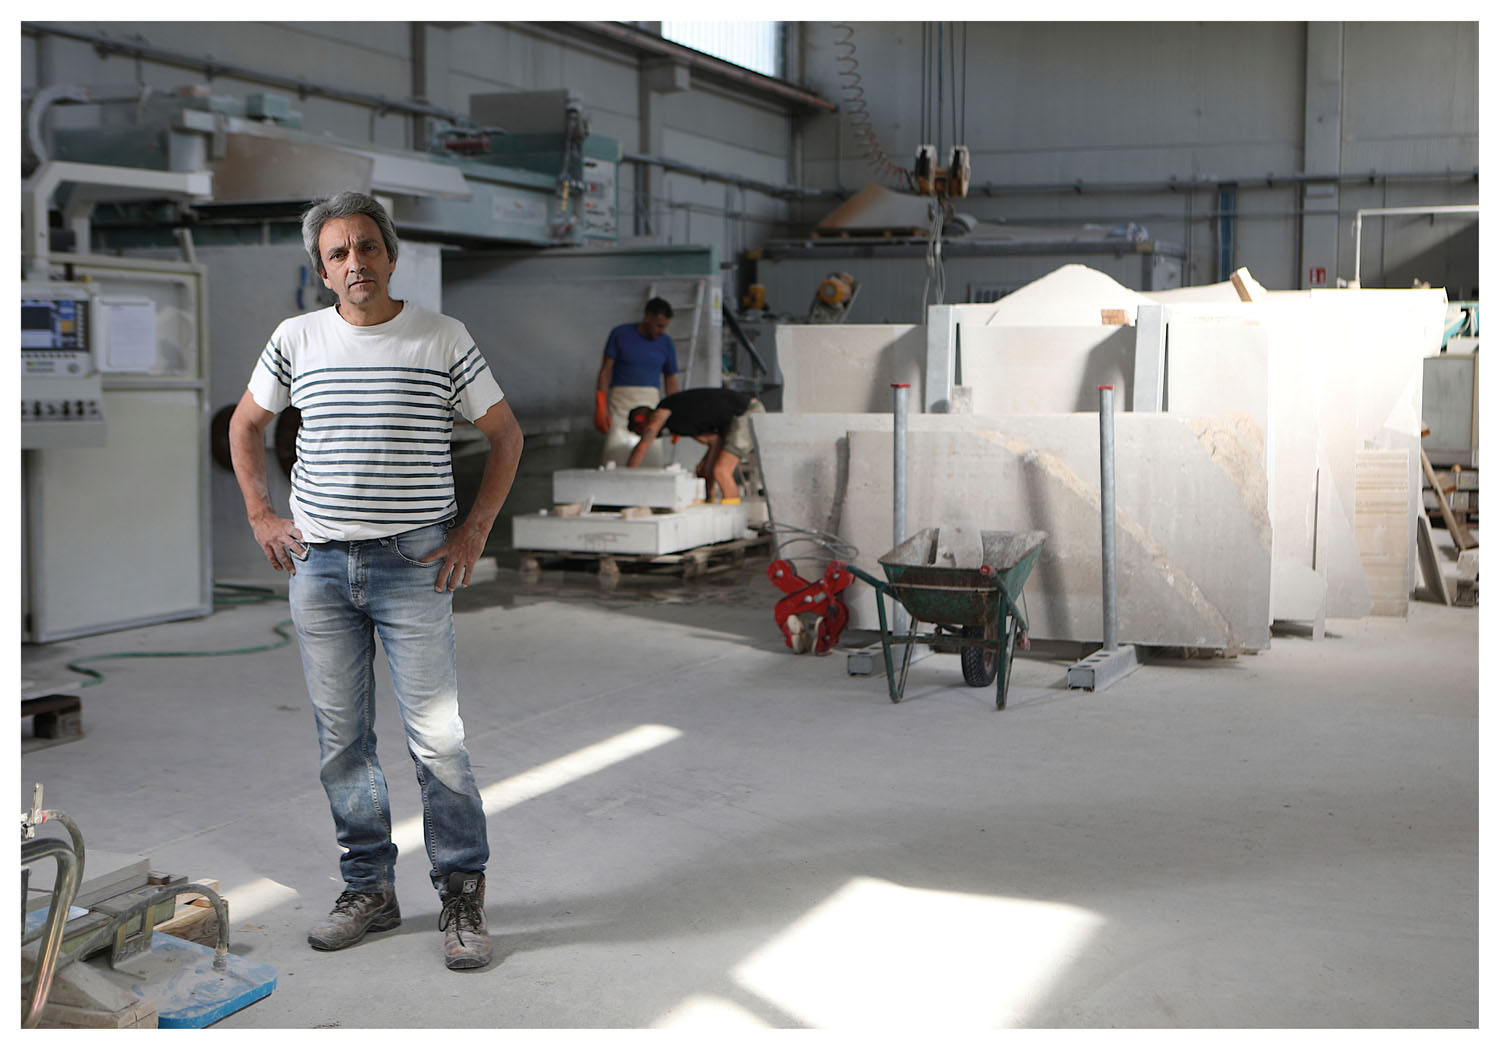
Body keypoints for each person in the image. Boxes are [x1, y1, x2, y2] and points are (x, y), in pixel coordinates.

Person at [227, 191, 523, 972]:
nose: (353, 263)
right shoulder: (296, 338)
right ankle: (370, 891)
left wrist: (474, 529)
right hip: (318, 565)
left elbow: (504, 434)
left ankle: (461, 895)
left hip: (413, 563)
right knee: (343, 743)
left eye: (366, 247)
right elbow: (246, 423)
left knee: (438, 740)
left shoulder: (441, 337)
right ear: (321, 269)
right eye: (337, 253)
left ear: (390, 255)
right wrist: (263, 514)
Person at [625, 387, 764, 503]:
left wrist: (625, 479)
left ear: (641, 421)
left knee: (722, 472)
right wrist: (706, 474)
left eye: (639, 432)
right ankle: (710, 501)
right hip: (734, 419)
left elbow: (642, 447)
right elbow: (714, 441)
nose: (645, 435)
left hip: (747, 412)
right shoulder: (679, 422)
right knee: (704, 471)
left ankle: (732, 520)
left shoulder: (662, 411)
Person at [595, 298, 679, 465]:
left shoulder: (666, 343)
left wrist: (676, 411)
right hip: (621, 400)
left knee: (651, 451)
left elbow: (670, 379)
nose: (662, 331)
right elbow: (606, 370)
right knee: (616, 450)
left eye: (665, 327)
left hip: (651, 400)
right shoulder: (620, 334)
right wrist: (601, 402)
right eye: (659, 325)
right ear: (647, 317)